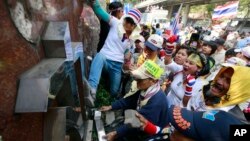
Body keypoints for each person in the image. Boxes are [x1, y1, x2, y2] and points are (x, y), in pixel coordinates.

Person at [86, 0, 142, 107]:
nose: (128, 23)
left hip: (117, 65)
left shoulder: (133, 38)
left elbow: (126, 51)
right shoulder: (116, 22)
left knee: (114, 92)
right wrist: (94, 2)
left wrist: (128, 59)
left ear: (135, 25)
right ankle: (92, 90)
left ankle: (109, 101)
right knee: (99, 56)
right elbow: (99, 10)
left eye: (132, 22)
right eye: (127, 20)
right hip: (105, 58)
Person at [100, 60, 169, 141]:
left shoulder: (156, 101)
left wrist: (116, 133)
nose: (136, 82)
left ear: (153, 81)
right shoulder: (146, 89)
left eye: (141, 79)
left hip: (150, 135)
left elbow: (138, 122)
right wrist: (111, 106)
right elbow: (130, 100)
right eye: (137, 78)